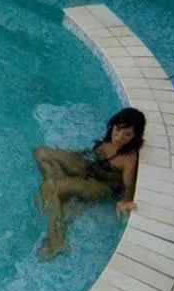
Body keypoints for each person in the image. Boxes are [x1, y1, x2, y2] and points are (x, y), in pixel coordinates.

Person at [33, 107, 146, 260]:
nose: (119, 137)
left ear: (135, 136)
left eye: (127, 135)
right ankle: (59, 192)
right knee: (41, 152)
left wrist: (125, 202)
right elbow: (92, 155)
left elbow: (128, 187)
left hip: (101, 185)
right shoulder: (110, 138)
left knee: (50, 188)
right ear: (113, 125)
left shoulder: (128, 158)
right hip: (89, 165)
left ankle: (56, 241)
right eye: (117, 130)